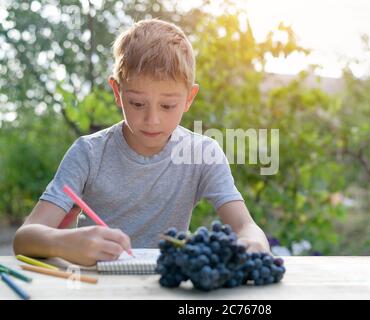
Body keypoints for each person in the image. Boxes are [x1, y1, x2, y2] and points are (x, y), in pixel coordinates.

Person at [13, 18, 270, 266]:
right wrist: (64, 242)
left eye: (168, 105)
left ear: (189, 98)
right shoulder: (88, 153)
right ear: (117, 92)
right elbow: (24, 238)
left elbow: (245, 226)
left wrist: (253, 242)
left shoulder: (202, 153)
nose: (152, 120)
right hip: (98, 286)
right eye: (137, 103)